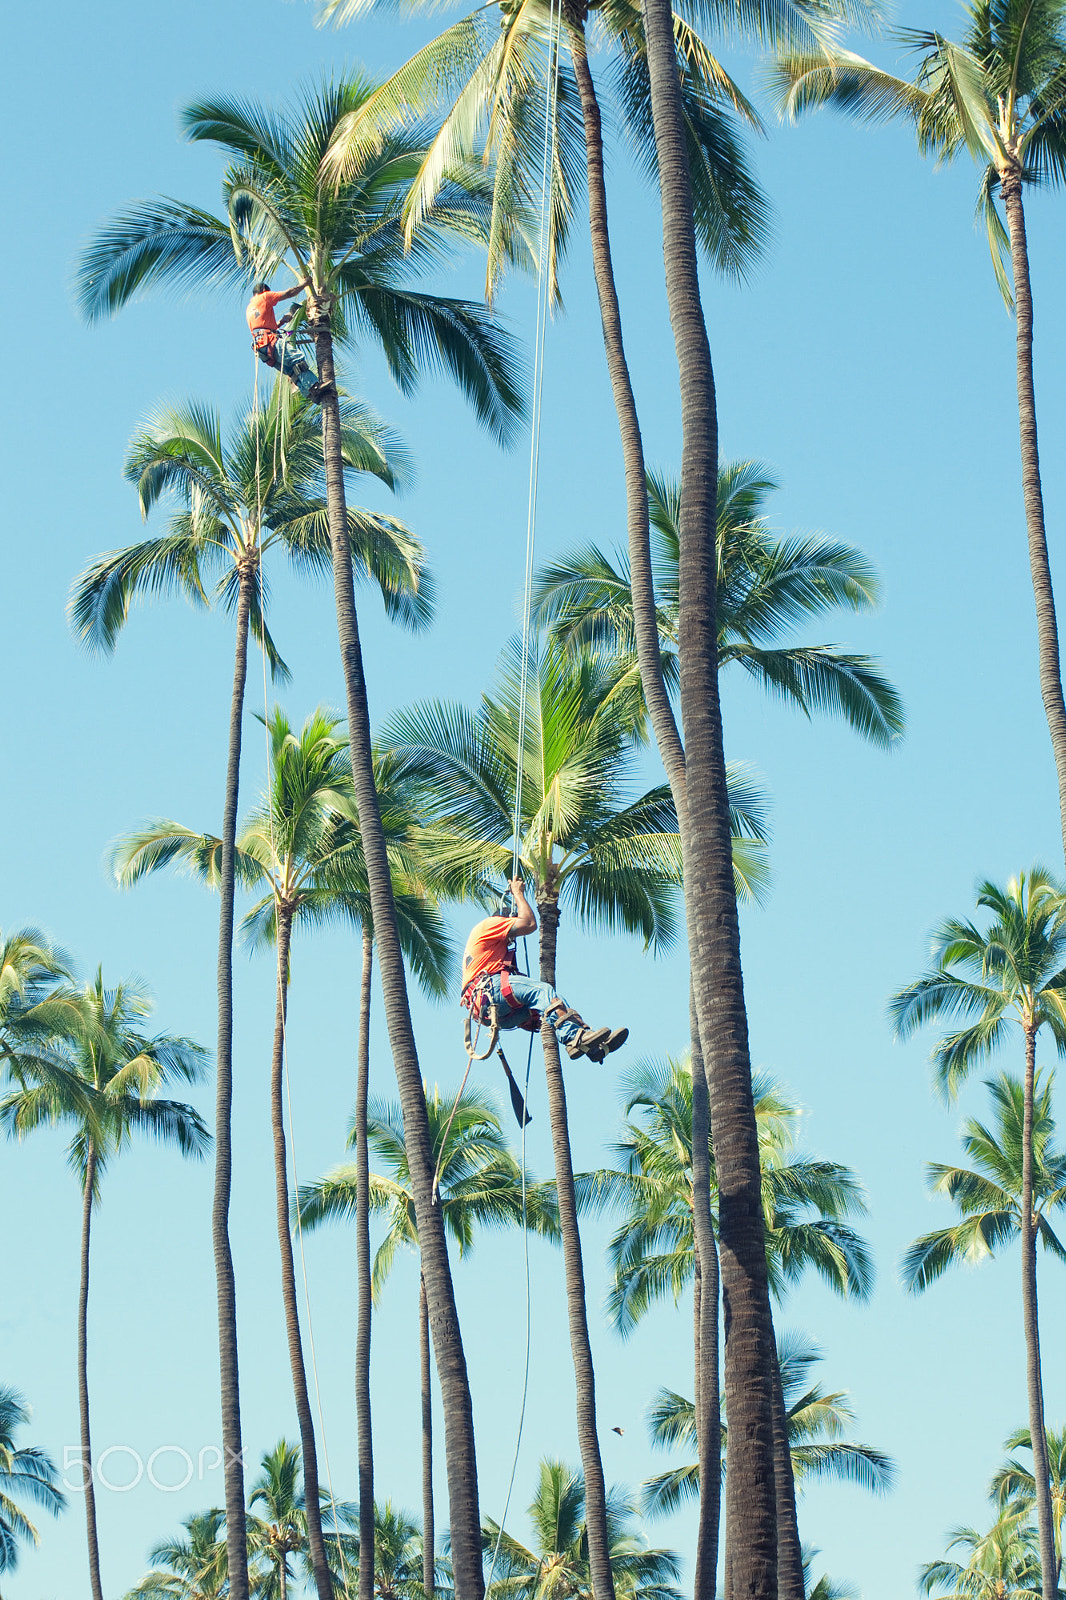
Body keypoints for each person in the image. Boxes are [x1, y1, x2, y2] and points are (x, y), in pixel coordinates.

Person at [461, 878, 628, 1063]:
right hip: (489, 992)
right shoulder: (490, 924)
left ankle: (590, 1045)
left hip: (491, 1014)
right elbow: (529, 923)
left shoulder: (491, 950)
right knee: (543, 991)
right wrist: (518, 893)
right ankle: (573, 1038)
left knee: (555, 1001)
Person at [246, 280, 326, 401]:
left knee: (292, 372)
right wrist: (305, 284)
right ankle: (314, 386)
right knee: (297, 360)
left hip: (262, 348)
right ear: (264, 291)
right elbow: (288, 293)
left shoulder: (250, 308)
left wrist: (281, 322)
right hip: (270, 341)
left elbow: (262, 326)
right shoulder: (265, 296)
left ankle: (311, 395)